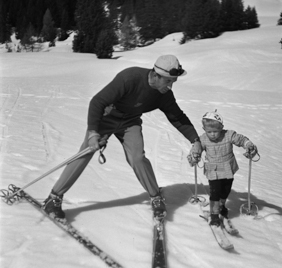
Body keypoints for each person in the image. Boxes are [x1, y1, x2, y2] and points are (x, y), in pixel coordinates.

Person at [43, 55, 202, 220]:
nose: (170, 86)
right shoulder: (130, 78)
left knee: (137, 158)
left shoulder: (164, 95)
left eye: (173, 82)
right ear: (156, 75)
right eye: (168, 81)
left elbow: (178, 117)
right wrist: (93, 133)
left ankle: (156, 197)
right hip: (108, 117)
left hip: (130, 122)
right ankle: (53, 199)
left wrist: (195, 141)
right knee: (86, 152)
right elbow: (97, 102)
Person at [188, 109, 258, 227]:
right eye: (209, 131)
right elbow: (196, 148)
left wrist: (248, 145)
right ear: (204, 129)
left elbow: (240, 139)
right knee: (215, 192)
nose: (213, 134)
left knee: (225, 190)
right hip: (213, 170)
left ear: (221, 128)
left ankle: (221, 205)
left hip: (228, 168)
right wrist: (194, 155)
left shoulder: (228, 135)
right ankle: (214, 214)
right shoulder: (203, 139)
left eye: (216, 131)